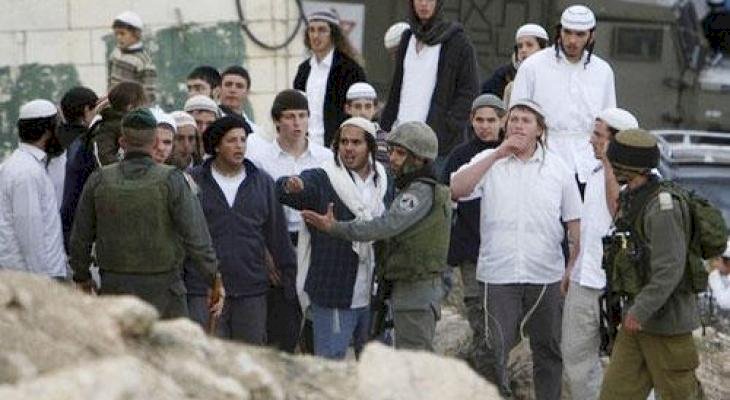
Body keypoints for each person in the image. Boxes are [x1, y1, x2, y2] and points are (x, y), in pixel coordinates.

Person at [450, 99, 582, 400]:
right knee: (494, 349)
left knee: (548, 349)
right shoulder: (489, 159)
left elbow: (574, 223)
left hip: (546, 275)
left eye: (526, 120)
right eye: (513, 119)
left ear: (539, 130)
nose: (518, 125)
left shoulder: (559, 168)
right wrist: (497, 154)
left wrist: (571, 266)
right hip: (498, 275)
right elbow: (456, 189)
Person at [301, 121, 452, 351]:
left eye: (400, 153)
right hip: (409, 290)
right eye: (391, 151)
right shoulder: (412, 188)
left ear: (419, 159)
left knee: (414, 363)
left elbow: (383, 227)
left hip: (415, 294)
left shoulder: (419, 192)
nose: (392, 159)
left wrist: (334, 227)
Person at [69, 108, 223, 319]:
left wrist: (82, 278)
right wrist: (214, 279)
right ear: (154, 142)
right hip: (164, 290)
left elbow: (80, 237)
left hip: (115, 288)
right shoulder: (173, 179)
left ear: (122, 142)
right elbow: (197, 237)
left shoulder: (99, 179)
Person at [598, 129, 702, 399]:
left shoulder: (663, 207)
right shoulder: (633, 198)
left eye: (615, 162)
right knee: (614, 394)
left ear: (629, 166)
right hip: (637, 321)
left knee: (679, 395)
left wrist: (640, 310)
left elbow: (670, 268)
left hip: (666, 324)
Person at [277, 117, 389, 359]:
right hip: (334, 294)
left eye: (356, 142)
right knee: (330, 367)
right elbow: (293, 189)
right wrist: (292, 185)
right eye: (344, 142)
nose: (348, 148)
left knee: (376, 369)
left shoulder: (382, 179)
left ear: (369, 146)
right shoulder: (324, 177)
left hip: (372, 295)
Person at [188, 115, 296, 344]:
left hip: (251, 288)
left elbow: (277, 233)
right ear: (217, 146)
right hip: (205, 288)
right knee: (209, 356)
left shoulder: (262, 182)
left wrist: (288, 278)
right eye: (231, 140)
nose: (239, 146)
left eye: (243, 140)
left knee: (250, 355)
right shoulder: (194, 181)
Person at [561, 108, 639, 400]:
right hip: (585, 279)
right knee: (575, 360)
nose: (591, 140)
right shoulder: (593, 173)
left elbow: (619, 212)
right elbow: (589, 227)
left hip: (621, 285)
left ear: (617, 141)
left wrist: (609, 163)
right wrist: (572, 266)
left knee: (630, 364)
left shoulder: (642, 178)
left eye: (598, 135)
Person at [247, 89, 330, 353]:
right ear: (277, 120)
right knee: (282, 329)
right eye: (290, 116)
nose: (297, 123)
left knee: (317, 331)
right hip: (278, 243)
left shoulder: (325, 158)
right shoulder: (259, 160)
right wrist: (265, 252)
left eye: (302, 116)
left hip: (315, 243)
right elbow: (254, 212)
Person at [510, 5, 616, 190]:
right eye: (568, 32)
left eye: (580, 34)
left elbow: (609, 122)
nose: (572, 40)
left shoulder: (603, 71)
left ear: (591, 36)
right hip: (543, 162)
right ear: (559, 31)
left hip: (589, 165)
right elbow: (516, 118)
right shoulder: (532, 66)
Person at [440, 93, 505, 377]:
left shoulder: (513, 153)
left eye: (491, 120)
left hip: (505, 250)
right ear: (471, 120)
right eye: (480, 120)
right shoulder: (460, 156)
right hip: (471, 250)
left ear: (502, 121)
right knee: (478, 316)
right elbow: (445, 196)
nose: (485, 126)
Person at [380, 0, 479, 173]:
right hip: (400, 138)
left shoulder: (457, 41)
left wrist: (447, 127)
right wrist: (386, 127)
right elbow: (397, 88)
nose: (424, 4)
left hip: (436, 146)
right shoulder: (407, 38)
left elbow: (469, 90)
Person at [61, 81, 147, 247]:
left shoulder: (115, 127)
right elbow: (103, 159)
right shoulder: (105, 129)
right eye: (142, 107)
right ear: (130, 107)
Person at [0, 99, 68, 279]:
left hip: (37, 275)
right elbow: (30, 234)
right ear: (48, 131)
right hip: (38, 277)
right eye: (58, 127)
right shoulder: (26, 171)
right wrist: (41, 282)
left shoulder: (25, 164)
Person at [293, 10, 366, 147]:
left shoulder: (350, 69)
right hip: (305, 147)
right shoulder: (304, 70)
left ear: (333, 34)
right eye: (312, 30)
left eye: (322, 30)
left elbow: (359, 113)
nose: (315, 36)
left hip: (337, 147)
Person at [481, 23, 549, 101]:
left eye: (529, 45)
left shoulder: (554, 73)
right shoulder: (503, 76)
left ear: (543, 49)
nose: (523, 50)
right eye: (520, 46)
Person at [108, 11, 157, 103]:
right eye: (116, 34)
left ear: (136, 34)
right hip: (114, 104)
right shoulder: (115, 53)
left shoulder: (144, 61)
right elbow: (110, 81)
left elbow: (149, 95)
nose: (118, 37)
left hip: (131, 106)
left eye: (122, 33)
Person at [344, 82, 389, 166]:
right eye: (357, 107)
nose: (363, 112)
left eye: (368, 106)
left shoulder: (386, 140)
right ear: (348, 109)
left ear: (375, 109)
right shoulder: (340, 138)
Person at [709, 243, 730, 311]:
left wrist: (714, 278)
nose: (714, 264)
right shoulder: (722, 275)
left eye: (717, 259)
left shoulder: (715, 276)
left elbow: (725, 302)